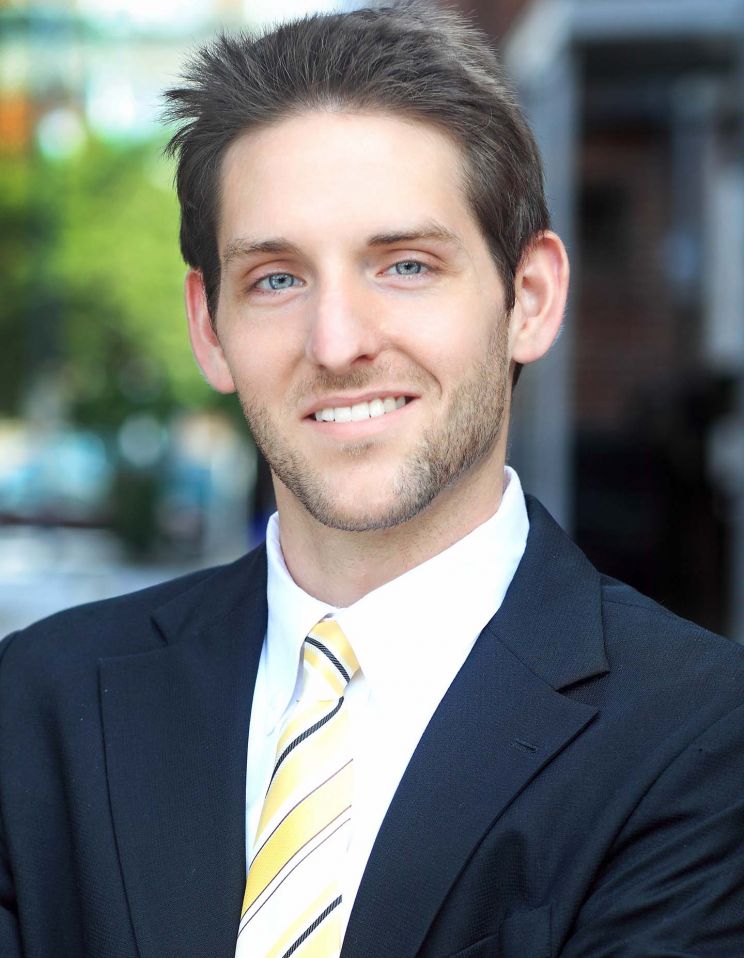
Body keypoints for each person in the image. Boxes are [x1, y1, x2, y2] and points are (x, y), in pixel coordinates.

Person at [1, 5, 743, 957]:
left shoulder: (695, 735)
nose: (337, 342)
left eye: (405, 265)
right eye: (276, 279)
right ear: (209, 327)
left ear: (529, 299)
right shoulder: (42, 705)